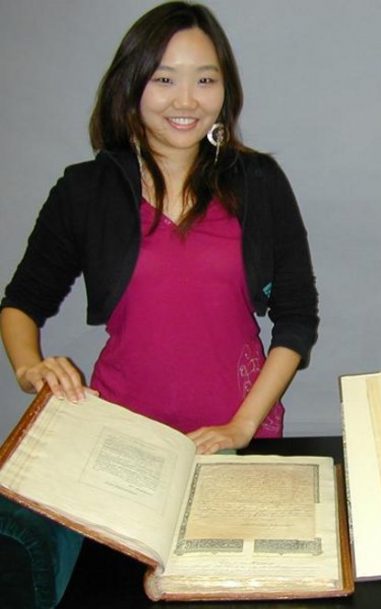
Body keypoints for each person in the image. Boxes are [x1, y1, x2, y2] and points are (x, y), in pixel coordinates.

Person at [0, 2, 319, 455]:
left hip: (237, 431)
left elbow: (297, 318)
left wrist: (241, 426)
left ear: (225, 89)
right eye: (164, 79)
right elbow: (22, 302)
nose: (186, 101)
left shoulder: (258, 182)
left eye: (205, 80)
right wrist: (28, 369)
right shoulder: (85, 190)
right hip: (122, 432)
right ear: (131, 85)